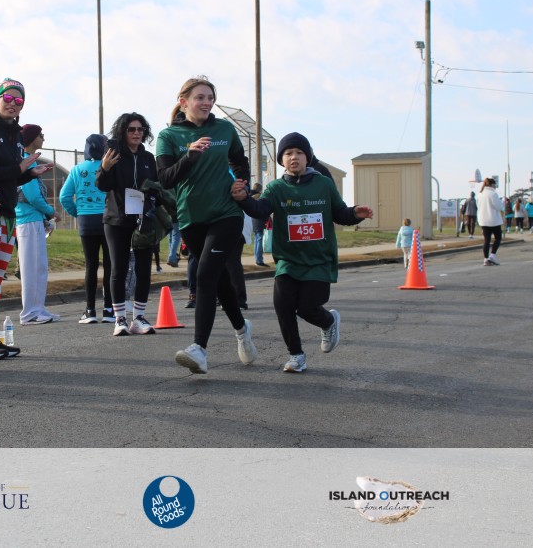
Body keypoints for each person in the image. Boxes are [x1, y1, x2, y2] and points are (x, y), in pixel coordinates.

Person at [232, 132, 372, 373]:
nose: (294, 157)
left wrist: (354, 213)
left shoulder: (323, 184)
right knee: (282, 305)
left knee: (307, 308)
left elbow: (340, 213)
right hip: (288, 260)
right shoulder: (276, 188)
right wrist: (244, 199)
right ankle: (296, 355)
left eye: (299, 153)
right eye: (288, 153)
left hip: (319, 260)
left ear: (308, 157)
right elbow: (260, 209)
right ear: (281, 160)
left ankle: (329, 321)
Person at [156, 77, 255, 374]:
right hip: (191, 218)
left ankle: (199, 348)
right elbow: (165, 179)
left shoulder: (224, 129)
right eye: (200, 97)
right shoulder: (169, 135)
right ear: (184, 101)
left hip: (226, 214)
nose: (207, 102)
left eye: (210, 97)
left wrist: (241, 182)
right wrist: (190, 155)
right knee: (219, 279)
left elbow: (240, 161)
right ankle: (242, 330)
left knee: (205, 275)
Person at [0, 77, 53, 358]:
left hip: (7, 210)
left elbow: (10, 175)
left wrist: (28, 173)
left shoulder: (16, 135)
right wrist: (18, 169)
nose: (13, 104)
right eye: (8, 98)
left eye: (19, 100)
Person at [97, 112, 159, 336]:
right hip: (116, 219)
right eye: (131, 129)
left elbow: (155, 186)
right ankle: (120, 319)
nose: (136, 133)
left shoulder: (148, 158)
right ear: (123, 132)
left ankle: (139, 318)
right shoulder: (114, 154)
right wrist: (105, 168)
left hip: (142, 219)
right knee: (118, 269)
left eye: (140, 129)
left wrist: (152, 203)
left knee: (143, 269)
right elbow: (102, 186)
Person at [60, 133, 114, 324]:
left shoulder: (77, 169)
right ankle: (109, 310)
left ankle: (90, 310)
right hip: (108, 219)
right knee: (110, 265)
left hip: (86, 220)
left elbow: (64, 197)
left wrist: (78, 213)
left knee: (91, 265)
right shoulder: (109, 166)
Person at [16, 124, 61, 324]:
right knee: (32, 268)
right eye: (40, 135)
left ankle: (38, 308)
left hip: (33, 221)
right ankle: (30, 313)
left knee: (39, 267)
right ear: (32, 138)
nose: (43, 138)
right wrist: (51, 212)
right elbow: (33, 196)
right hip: (28, 221)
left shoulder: (29, 161)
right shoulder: (26, 162)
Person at [477, 177, 504, 266]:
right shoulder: (493, 194)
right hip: (493, 219)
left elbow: (478, 206)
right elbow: (499, 207)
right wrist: (502, 204)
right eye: (495, 185)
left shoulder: (480, 194)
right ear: (492, 185)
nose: (495, 186)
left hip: (483, 220)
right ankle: (492, 256)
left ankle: (485, 259)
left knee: (487, 240)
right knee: (498, 238)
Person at [250, 183, 269, 267]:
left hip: (253, 220)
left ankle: (257, 259)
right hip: (259, 220)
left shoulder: (250, 196)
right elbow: (263, 209)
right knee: (259, 240)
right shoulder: (259, 197)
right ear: (260, 189)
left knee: (256, 240)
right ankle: (259, 260)